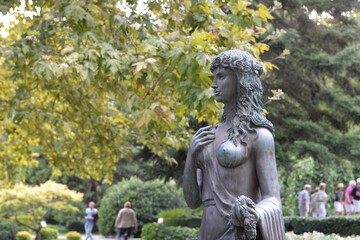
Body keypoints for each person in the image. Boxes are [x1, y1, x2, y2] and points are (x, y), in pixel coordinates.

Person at [183, 50, 284, 240]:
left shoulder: (259, 135)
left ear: (240, 79)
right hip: (207, 231)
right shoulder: (206, 136)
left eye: (221, 77)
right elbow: (192, 201)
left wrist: (252, 214)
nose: (214, 85)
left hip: (238, 232)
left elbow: (273, 199)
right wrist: (191, 157)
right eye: (214, 77)